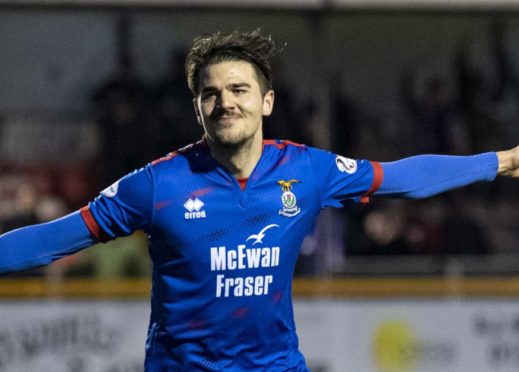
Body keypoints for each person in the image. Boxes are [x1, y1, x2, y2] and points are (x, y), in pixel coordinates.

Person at [1, 29, 519, 371]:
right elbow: (56, 237)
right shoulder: (157, 184)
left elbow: (400, 177)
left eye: (239, 89)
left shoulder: (306, 170)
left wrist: (501, 161)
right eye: (211, 93)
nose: (225, 101)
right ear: (198, 108)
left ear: (267, 101)